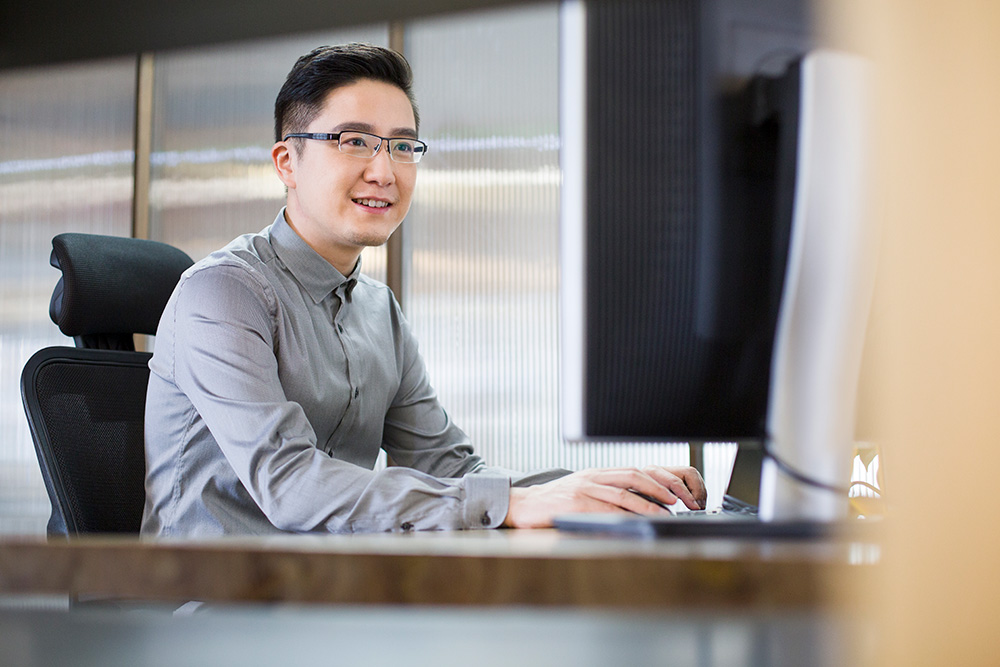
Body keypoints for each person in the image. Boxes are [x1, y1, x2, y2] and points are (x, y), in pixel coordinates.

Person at [141, 43, 706, 537]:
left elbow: (448, 468)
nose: (385, 171)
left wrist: (604, 489)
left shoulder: (375, 308)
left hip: (330, 592)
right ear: (288, 161)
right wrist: (516, 503)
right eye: (355, 141)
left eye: (403, 146)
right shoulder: (222, 293)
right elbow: (291, 484)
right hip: (217, 606)